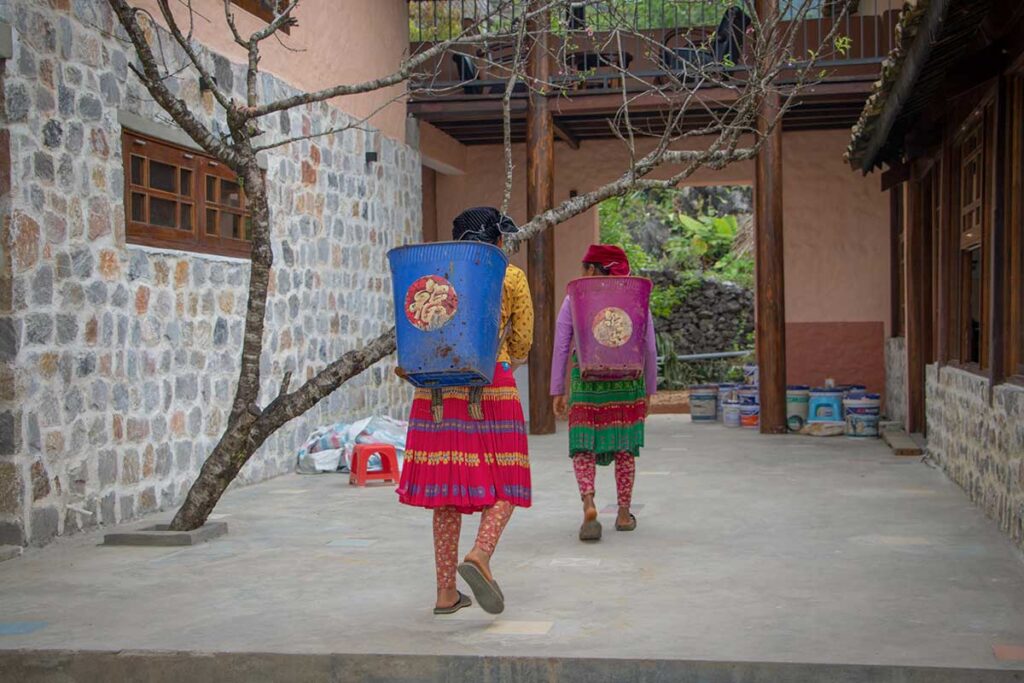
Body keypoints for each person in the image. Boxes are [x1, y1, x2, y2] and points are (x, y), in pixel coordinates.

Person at [397, 207, 534, 615]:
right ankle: (480, 553)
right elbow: (523, 337)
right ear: (495, 241)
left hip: (436, 391)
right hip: (493, 382)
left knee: (446, 493)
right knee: (507, 481)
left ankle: (445, 592)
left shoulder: (435, 274)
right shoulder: (509, 276)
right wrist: (509, 358)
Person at [550, 244, 657, 541]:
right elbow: (649, 346)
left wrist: (557, 388)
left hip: (587, 382)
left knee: (583, 447)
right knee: (625, 448)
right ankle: (623, 514)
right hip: (627, 381)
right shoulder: (635, 296)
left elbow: (562, 342)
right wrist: (650, 387)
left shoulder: (576, 296)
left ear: (592, 270)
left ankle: (588, 503)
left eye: (584, 267)